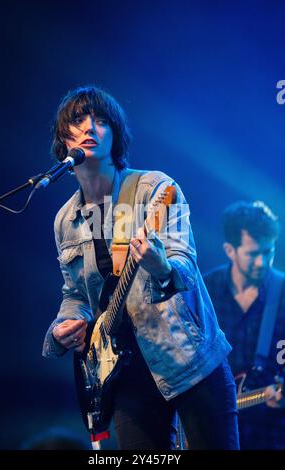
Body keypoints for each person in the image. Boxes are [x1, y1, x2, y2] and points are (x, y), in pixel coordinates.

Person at [42, 85, 239, 450]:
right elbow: (74, 294)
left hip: (187, 362)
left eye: (101, 121)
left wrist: (160, 264)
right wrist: (61, 328)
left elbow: (185, 265)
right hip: (124, 374)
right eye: (79, 120)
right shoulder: (64, 221)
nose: (90, 128)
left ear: (114, 134)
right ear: (63, 136)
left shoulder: (154, 189)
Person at [204, 200, 285, 449]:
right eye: (253, 253)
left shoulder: (281, 293)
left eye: (268, 252)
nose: (262, 262)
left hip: (271, 433)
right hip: (213, 429)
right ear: (230, 250)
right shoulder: (206, 290)